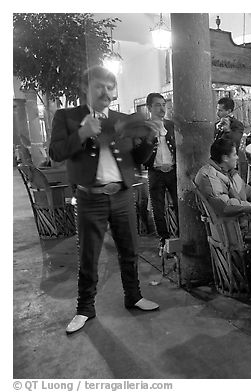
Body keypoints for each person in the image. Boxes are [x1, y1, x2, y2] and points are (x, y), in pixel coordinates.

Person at [49, 65, 160, 335]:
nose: (106, 92)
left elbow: (139, 159)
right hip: (90, 197)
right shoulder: (67, 117)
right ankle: (85, 308)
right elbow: (56, 152)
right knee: (89, 255)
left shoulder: (122, 119)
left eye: (110, 87)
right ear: (86, 88)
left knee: (130, 250)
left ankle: (133, 296)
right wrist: (82, 134)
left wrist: (149, 139)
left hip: (122, 195)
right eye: (100, 86)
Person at [194, 138, 251, 240]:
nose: (237, 157)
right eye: (235, 154)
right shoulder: (209, 176)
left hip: (245, 222)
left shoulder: (229, 172)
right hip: (235, 230)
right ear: (225, 158)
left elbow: (245, 189)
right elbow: (225, 205)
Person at [142, 93, 178, 256]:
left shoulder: (171, 125)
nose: (162, 108)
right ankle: (163, 240)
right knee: (158, 209)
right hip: (155, 172)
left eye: (164, 104)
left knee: (179, 205)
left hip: (172, 170)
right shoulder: (144, 127)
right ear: (149, 108)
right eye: (158, 105)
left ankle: (180, 237)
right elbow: (141, 152)